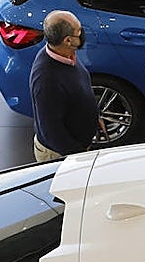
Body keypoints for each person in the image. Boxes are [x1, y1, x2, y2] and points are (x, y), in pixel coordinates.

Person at [29, 10, 99, 162]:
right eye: (79, 31)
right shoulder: (47, 79)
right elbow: (51, 130)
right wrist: (79, 157)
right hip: (59, 155)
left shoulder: (66, 55)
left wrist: (93, 116)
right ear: (67, 40)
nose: (82, 34)